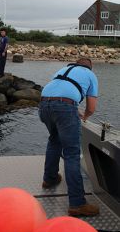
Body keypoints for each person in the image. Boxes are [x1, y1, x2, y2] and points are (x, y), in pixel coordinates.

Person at [39, 57, 99, 217]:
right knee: (72, 154)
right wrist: (84, 116)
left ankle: (50, 178)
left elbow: (58, 93)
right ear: (90, 67)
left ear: (75, 64)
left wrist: (71, 109)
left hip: (44, 105)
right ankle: (77, 203)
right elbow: (91, 108)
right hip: (64, 107)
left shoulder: (62, 70)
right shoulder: (90, 74)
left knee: (54, 139)